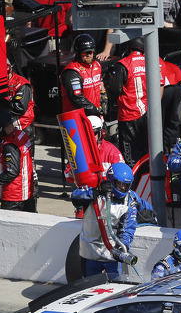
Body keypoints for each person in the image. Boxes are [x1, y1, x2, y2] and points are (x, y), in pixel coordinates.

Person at [71, 163, 138, 279]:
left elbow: (128, 229)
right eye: (120, 184)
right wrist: (95, 192)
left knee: (116, 286)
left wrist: (122, 246)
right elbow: (75, 196)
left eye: (126, 185)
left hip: (112, 253)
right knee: (88, 287)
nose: (123, 188)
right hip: (90, 252)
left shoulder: (130, 202)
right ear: (112, 180)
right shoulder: (96, 191)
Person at [65, 115, 124, 219]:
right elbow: (68, 176)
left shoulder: (111, 151)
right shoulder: (78, 151)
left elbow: (122, 176)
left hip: (108, 201)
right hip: (85, 201)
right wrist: (73, 172)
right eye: (87, 134)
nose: (91, 136)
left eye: (94, 133)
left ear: (102, 133)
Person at [109, 37, 148, 166]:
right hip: (146, 113)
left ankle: (133, 182)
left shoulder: (124, 63)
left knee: (129, 153)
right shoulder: (150, 62)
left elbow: (115, 89)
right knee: (145, 149)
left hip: (128, 114)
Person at [60, 34, 107, 118]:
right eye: (85, 53)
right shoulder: (72, 71)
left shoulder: (97, 65)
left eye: (90, 52)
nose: (88, 55)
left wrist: (104, 98)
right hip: (76, 117)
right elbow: (76, 97)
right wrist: (94, 109)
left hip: (95, 114)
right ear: (78, 53)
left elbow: (100, 86)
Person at [5, 62, 36, 153]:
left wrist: (2, 106)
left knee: (25, 156)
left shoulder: (21, 84)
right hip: (8, 126)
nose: (6, 76)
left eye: (7, 74)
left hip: (23, 126)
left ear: (11, 71)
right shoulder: (0, 84)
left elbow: (19, 107)